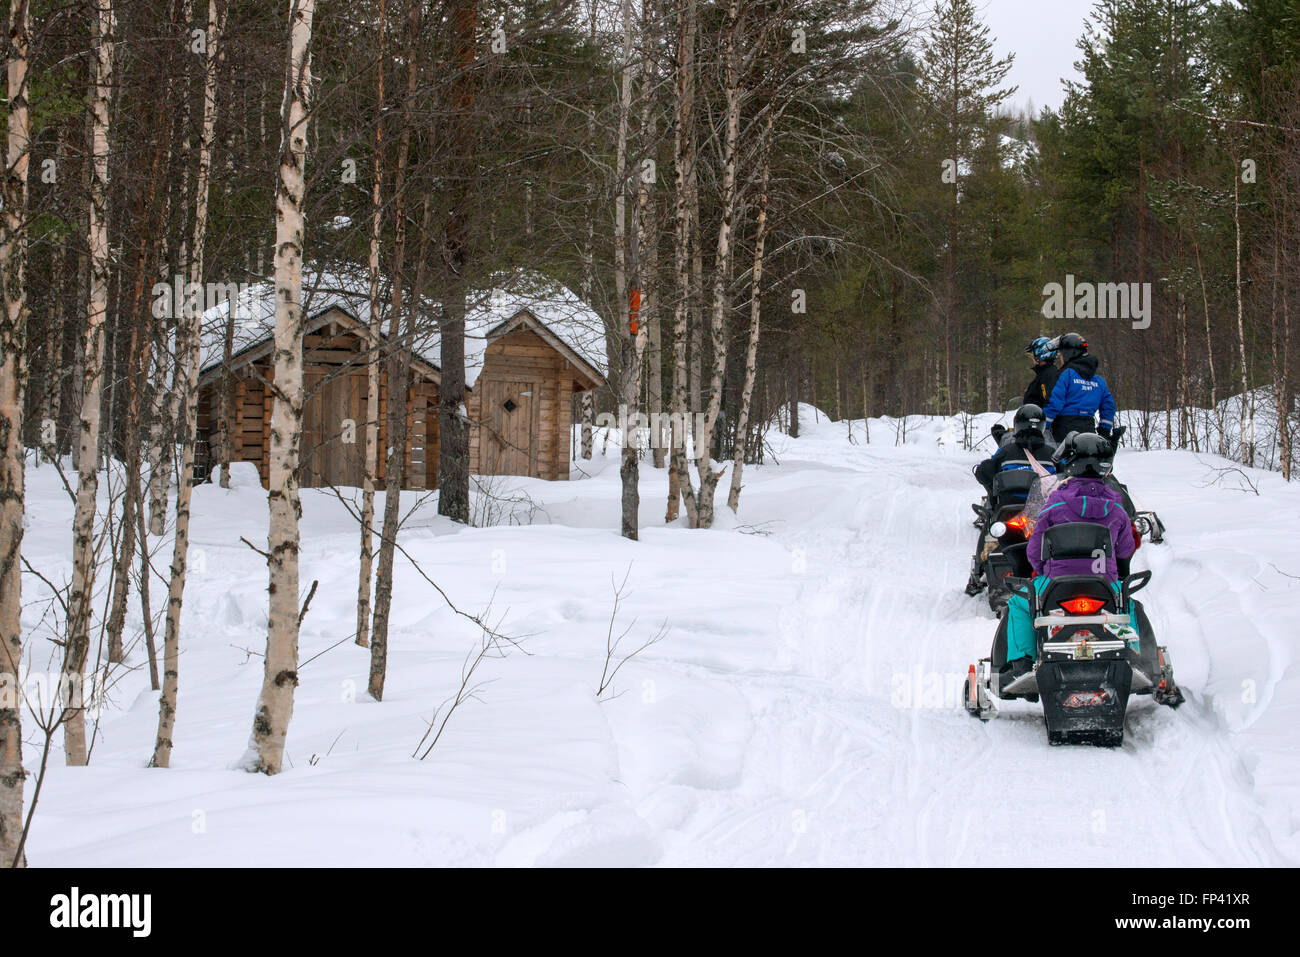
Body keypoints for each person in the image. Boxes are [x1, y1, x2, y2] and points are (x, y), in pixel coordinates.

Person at [1001, 432, 1136, 676]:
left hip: (1057, 587)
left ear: (1071, 462)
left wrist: (1044, 570)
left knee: (1019, 603)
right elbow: (1126, 550)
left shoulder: (1055, 504)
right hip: (1104, 586)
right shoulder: (1117, 507)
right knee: (1128, 604)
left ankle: (1022, 661)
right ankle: (1135, 656)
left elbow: (1034, 551)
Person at [966, 405, 1057, 595]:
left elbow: (985, 470)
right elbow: (1066, 476)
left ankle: (977, 572)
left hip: (1009, 514)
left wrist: (991, 487)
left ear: (1017, 425)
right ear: (1041, 427)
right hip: (1041, 515)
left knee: (990, 526)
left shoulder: (1006, 452)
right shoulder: (1052, 455)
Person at [1043, 332, 1117, 443]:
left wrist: (1042, 427)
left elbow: (1054, 404)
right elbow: (1109, 408)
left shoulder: (1066, 375)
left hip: (1063, 432)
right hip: (1089, 432)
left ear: (1069, 354)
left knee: (1058, 460)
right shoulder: (1099, 381)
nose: (1061, 358)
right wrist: (1104, 431)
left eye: (1061, 354)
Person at [1023, 336, 1060, 406]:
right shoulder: (1044, 373)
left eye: (1033, 354)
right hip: (1033, 416)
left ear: (1040, 353)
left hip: (1041, 416)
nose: (1032, 357)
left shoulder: (1048, 375)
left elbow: (1050, 402)